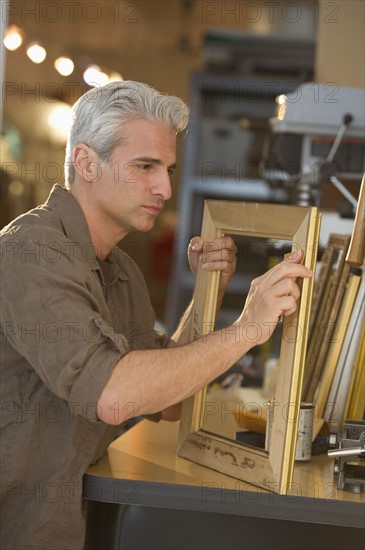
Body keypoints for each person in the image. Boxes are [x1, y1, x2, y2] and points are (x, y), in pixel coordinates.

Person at [0, 81, 312, 549]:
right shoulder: (31, 252)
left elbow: (163, 400)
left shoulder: (119, 269)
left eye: (166, 168)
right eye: (144, 167)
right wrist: (248, 327)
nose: (164, 187)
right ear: (86, 163)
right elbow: (114, 395)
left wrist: (208, 291)